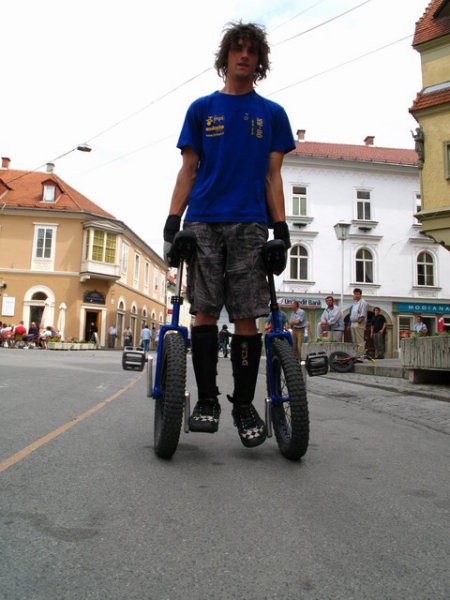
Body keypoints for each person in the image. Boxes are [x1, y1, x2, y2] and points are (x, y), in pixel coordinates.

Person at [162, 21, 295, 448]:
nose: (244, 56)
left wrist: (281, 229)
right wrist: (173, 219)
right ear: (225, 58)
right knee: (203, 311)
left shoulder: (272, 114)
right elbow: (188, 169)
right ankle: (206, 401)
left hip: (250, 223)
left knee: (245, 316)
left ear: (260, 62)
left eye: (251, 52)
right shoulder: (201, 108)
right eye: (237, 49)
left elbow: (274, 176)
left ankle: (242, 404)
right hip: (202, 220)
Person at [349, 288, 368, 358]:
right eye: (355, 294)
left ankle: (361, 356)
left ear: (360, 294)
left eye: (357, 294)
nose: (356, 295)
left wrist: (359, 321)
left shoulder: (363, 302)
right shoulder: (354, 303)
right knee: (354, 341)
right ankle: (356, 355)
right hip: (353, 322)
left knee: (360, 340)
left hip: (359, 322)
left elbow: (363, 314)